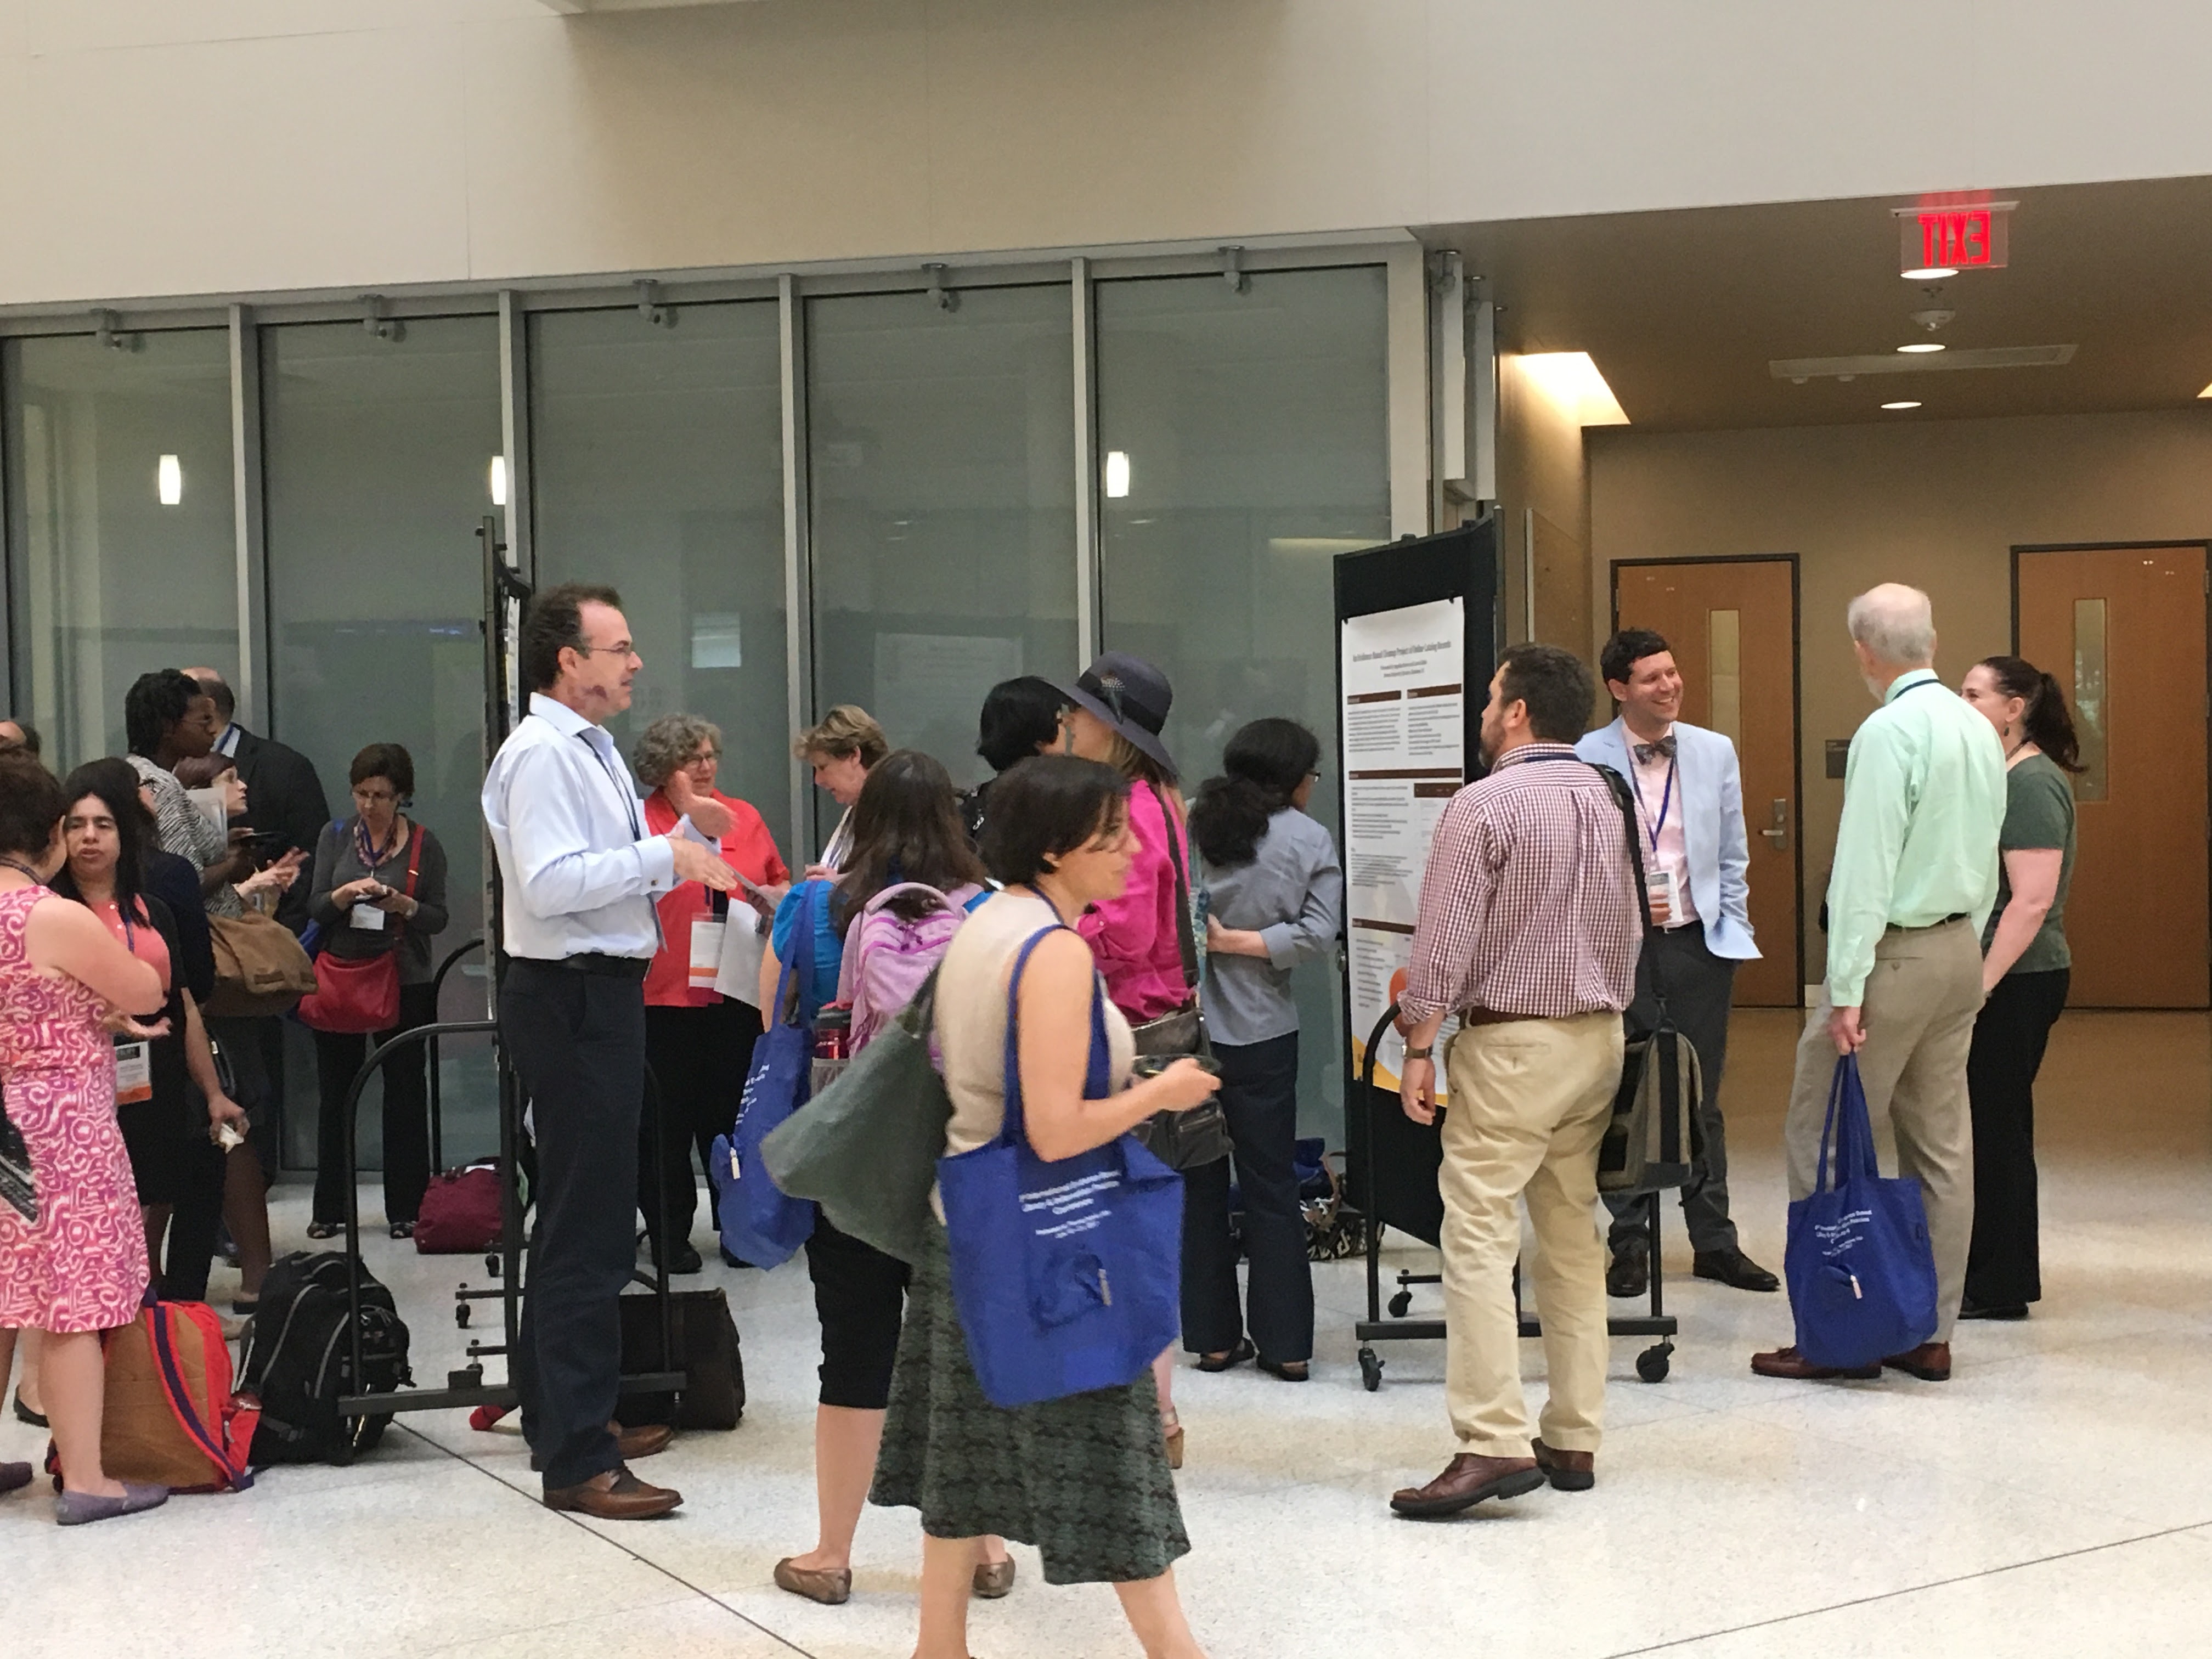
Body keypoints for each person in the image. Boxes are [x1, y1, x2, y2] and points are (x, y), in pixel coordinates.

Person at [873, 753, 1220, 1659]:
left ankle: (938, 1641)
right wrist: (1161, 1090)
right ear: (1060, 848)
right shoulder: (1056, 951)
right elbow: (1059, 1127)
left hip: (971, 1227)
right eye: (1112, 834)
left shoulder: (985, 922)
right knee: (1116, 1462)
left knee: (965, 1448)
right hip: (1047, 1243)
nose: (1133, 848)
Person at [482, 582, 738, 1520]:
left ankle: (562, 1411)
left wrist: (672, 840)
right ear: (567, 661)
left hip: (593, 993)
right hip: (573, 993)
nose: (634, 662)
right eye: (618, 647)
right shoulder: (544, 754)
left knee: (576, 1215)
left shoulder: (582, 750)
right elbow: (550, 887)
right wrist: (664, 859)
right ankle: (579, 1456)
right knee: (590, 1228)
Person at [1387, 645, 1640, 1518]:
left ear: (1519, 712)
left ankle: (1490, 1441)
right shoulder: (1611, 798)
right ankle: (1572, 1434)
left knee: (1479, 1236)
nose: (1486, 711)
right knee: (1571, 1236)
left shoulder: (1482, 805)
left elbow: (1443, 951)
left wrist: (1419, 1045)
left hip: (1513, 1049)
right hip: (1597, 1040)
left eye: (1493, 697)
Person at [761, 750, 1014, 1609]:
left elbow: (775, 1018)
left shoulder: (816, 905)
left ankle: (832, 1554)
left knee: (855, 1352)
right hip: (961, 1159)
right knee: (965, 1353)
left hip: (862, 1158)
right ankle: (984, 1548)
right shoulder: (988, 912)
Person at [1753, 584, 2006, 1384]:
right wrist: (1969, 946)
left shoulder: (1888, 731)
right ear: (1930, 641)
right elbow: (1989, 848)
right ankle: (1930, 1333)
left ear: (1864, 653)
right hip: (1959, 949)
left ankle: (1839, 1330)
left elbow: (1864, 869)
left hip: (1891, 960)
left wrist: (1846, 983)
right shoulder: (1979, 726)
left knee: (1823, 1138)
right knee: (1943, 1148)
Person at [1576, 629, 1778, 1296]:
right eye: (1652, 678)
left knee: (1701, 1096)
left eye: (1673, 672)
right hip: (1622, 949)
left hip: (1698, 944)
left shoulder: (1714, 750)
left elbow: (1732, 853)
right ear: (1618, 689)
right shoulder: (1586, 757)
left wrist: (1733, 930)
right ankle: (1629, 1241)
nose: (1670, 685)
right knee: (1625, 1089)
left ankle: (1714, 1240)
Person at [0, 749, 173, 1523]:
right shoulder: (50, 913)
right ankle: (90, 1482)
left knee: (4, 1296)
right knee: (69, 1299)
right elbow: (146, 987)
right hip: (57, 1125)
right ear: (50, 837)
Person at [1053, 650, 1195, 1464]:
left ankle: (1149, 1416)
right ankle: (1155, 1414)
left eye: (1080, 714)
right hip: (1156, 1026)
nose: (1068, 725)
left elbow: (1132, 933)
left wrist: (1057, 934)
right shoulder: (1160, 801)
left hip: (1129, 1033)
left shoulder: (1132, 809)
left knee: (1117, 1234)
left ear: (1114, 728)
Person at [50, 763, 248, 1289]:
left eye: (103, 824)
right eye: (76, 825)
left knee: (170, 1188)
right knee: (111, 1214)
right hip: (85, 1085)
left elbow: (181, 1004)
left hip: (156, 1074)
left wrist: (211, 1091)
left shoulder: (152, 909)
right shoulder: (52, 914)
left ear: (124, 834)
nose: (89, 837)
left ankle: (163, 1317)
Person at [1185, 718, 1342, 1381]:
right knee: (1271, 1186)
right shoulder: (1308, 838)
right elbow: (1318, 934)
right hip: (1262, 1030)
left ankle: (1214, 1341)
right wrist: (1247, 944)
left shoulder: (1189, 820)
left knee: (1197, 1185)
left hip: (1185, 1032)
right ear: (1295, 780)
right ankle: (1287, 1347)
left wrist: (1210, 941)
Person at [634, 713, 789, 1274]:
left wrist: (776, 894)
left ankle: (737, 1228)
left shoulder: (742, 817)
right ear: (661, 770)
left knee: (728, 1116)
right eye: (690, 758)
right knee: (664, 1122)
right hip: (663, 995)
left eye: (709, 755)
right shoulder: (641, 823)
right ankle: (669, 1232)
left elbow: (779, 880)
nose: (705, 766)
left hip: (734, 990)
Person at [1957, 656, 2080, 1322]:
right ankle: (1986, 1269)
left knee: (1999, 1129)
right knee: (1988, 1124)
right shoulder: (2001, 776)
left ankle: (2000, 1284)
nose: (1962, 702)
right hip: (2007, 976)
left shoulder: (2032, 784)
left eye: (1974, 694)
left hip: (2020, 979)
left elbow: (2030, 904)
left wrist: (1979, 985)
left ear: (2015, 708)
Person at [305, 743, 451, 1241]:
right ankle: (331, 1207)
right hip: (342, 971)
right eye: (362, 793)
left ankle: (406, 1207)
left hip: (404, 976)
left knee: (405, 1093)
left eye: (382, 796)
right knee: (336, 1092)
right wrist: (344, 896)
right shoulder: (336, 835)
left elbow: (438, 917)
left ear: (402, 796)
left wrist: (403, 905)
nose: (370, 805)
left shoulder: (423, 845)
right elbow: (317, 905)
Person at [960, 675, 1066, 844]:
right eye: (1060, 721)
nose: (1067, 727)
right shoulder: (1059, 802)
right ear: (1039, 736)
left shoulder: (979, 799)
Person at [793, 704, 889, 874]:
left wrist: (839, 883)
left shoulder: (897, 814)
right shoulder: (853, 812)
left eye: (823, 767)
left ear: (854, 755)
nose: (818, 780)